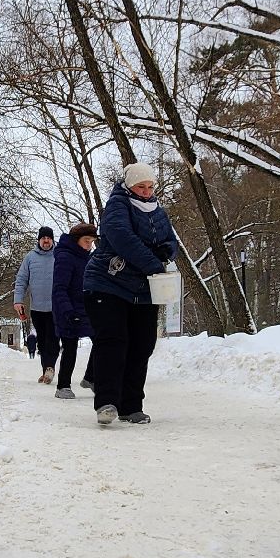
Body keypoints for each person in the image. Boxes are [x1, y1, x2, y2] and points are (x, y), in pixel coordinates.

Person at [82, 163, 177, 426]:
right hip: (107, 283)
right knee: (114, 341)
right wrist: (154, 262)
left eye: (150, 187)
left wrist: (166, 252)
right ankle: (107, 402)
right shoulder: (117, 205)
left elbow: (171, 240)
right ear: (129, 186)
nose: (146, 192)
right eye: (140, 187)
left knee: (142, 344)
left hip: (144, 288)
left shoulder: (158, 211)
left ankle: (131, 405)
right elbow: (122, 238)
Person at [49, 222, 98, 400]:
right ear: (76, 240)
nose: (89, 245)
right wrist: (68, 312)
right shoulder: (65, 257)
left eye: (92, 242)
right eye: (86, 241)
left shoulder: (86, 257)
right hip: (66, 310)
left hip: (85, 308)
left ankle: (90, 378)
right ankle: (63, 386)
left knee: (101, 339)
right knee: (70, 347)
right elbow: (59, 288)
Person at [12, 226, 59, 383]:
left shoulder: (60, 255)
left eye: (49, 238)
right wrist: (18, 300)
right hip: (37, 308)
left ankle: (50, 367)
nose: (46, 241)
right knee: (43, 340)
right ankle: (46, 369)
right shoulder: (30, 258)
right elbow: (21, 281)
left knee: (53, 339)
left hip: (57, 307)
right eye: (43, 238)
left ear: (52, 240)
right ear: (39, 240)